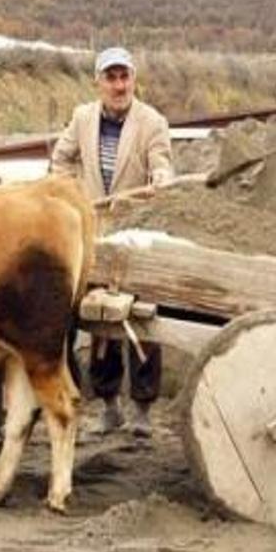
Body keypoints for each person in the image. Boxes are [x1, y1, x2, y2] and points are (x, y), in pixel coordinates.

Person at [50, 46, 174, 436]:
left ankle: (142, 409)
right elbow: (61, 159)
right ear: (98, 82)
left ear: (133, 80)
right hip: (93, 230)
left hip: (137, 232)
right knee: (98, 320)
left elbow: (161, 162)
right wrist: (70, 193)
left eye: (125, 77)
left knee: (141, 319)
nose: (119, 85)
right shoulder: (82, 118)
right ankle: (109, 404)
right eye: (111, 78)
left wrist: (161, 178)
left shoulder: (151, 121)